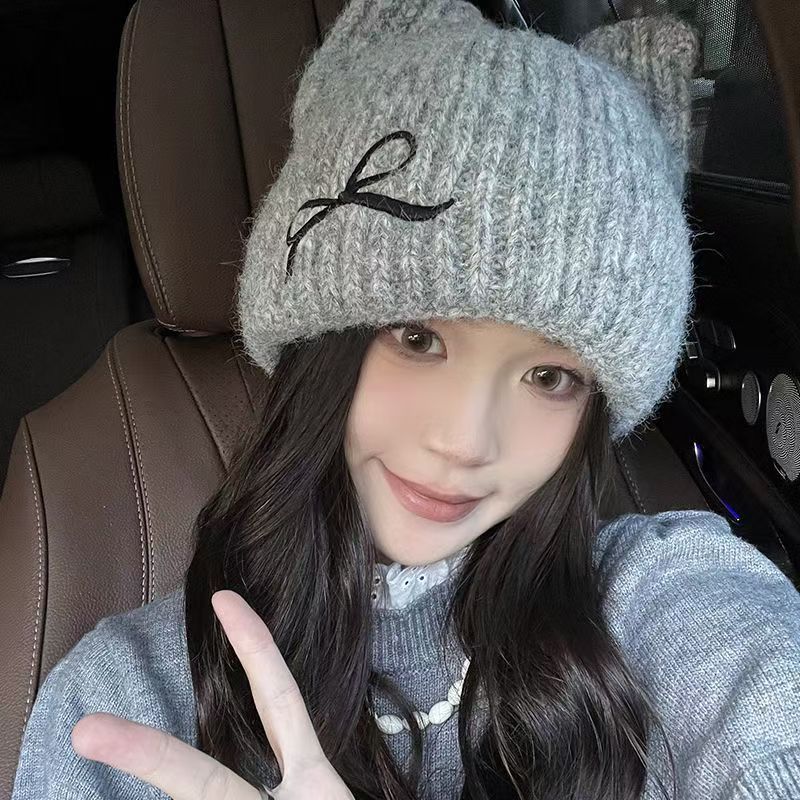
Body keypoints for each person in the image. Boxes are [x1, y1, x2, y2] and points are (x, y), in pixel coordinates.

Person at [10, 0, 800, 798]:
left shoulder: (659, 596)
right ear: (324, 343)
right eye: (418, 338)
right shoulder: (127, 704)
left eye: (550, 378)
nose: (465, 442)